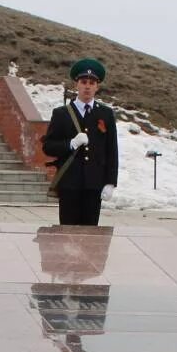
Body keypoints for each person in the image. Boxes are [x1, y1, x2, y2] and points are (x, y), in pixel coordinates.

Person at [41, 58, 118, 226]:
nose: (87, 86)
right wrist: (71, 144)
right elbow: (48, 146)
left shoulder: (106, 114)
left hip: (94, 185)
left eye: (92, 82)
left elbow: (111, 150)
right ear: (76, 84)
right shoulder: (62, 113)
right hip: (69, 184)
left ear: (97, 87)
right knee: (67, 236)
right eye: (84, 82)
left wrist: (111, 182)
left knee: (91, 237)